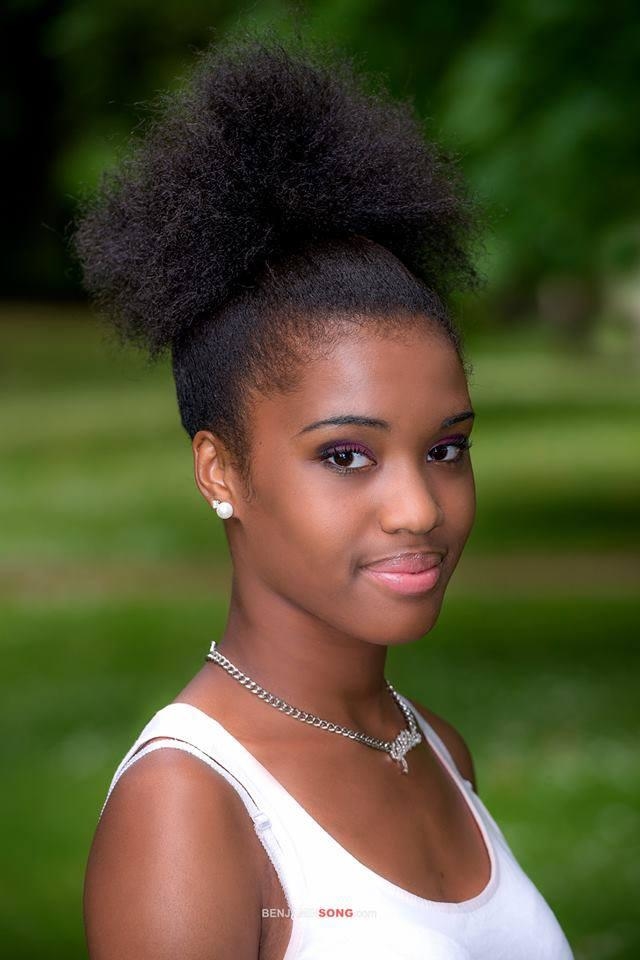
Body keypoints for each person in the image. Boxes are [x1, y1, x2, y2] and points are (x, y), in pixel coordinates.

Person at [71, 27, 575, 960]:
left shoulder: (435, 750)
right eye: (346, 456)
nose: (420, 509)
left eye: (447, 448)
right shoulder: (191, 808)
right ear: (219, 471)